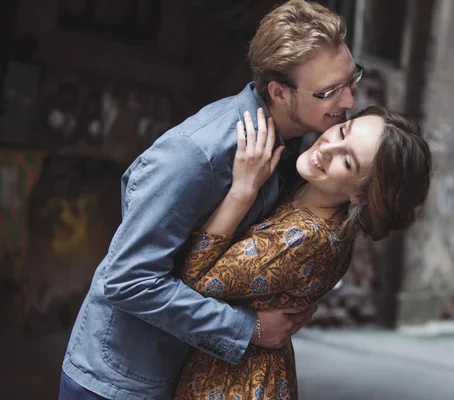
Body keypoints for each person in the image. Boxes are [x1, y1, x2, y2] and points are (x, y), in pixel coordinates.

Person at [59, 1, 361, 399]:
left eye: (351, 79)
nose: (348, 101)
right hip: (120, 381)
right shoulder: (195, 154)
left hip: (184, 372)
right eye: (329, 92)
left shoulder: (296, 150)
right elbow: (127, 281)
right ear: (279, 93)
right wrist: (249, 328)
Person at [174, 104, 432, 399]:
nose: (328, 148)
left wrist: (242, 190)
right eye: (342, 132)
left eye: (347, 161)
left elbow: (193, 282)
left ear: (361, 194)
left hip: (234, 387)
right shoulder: (304, 191)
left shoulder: (306, 239)